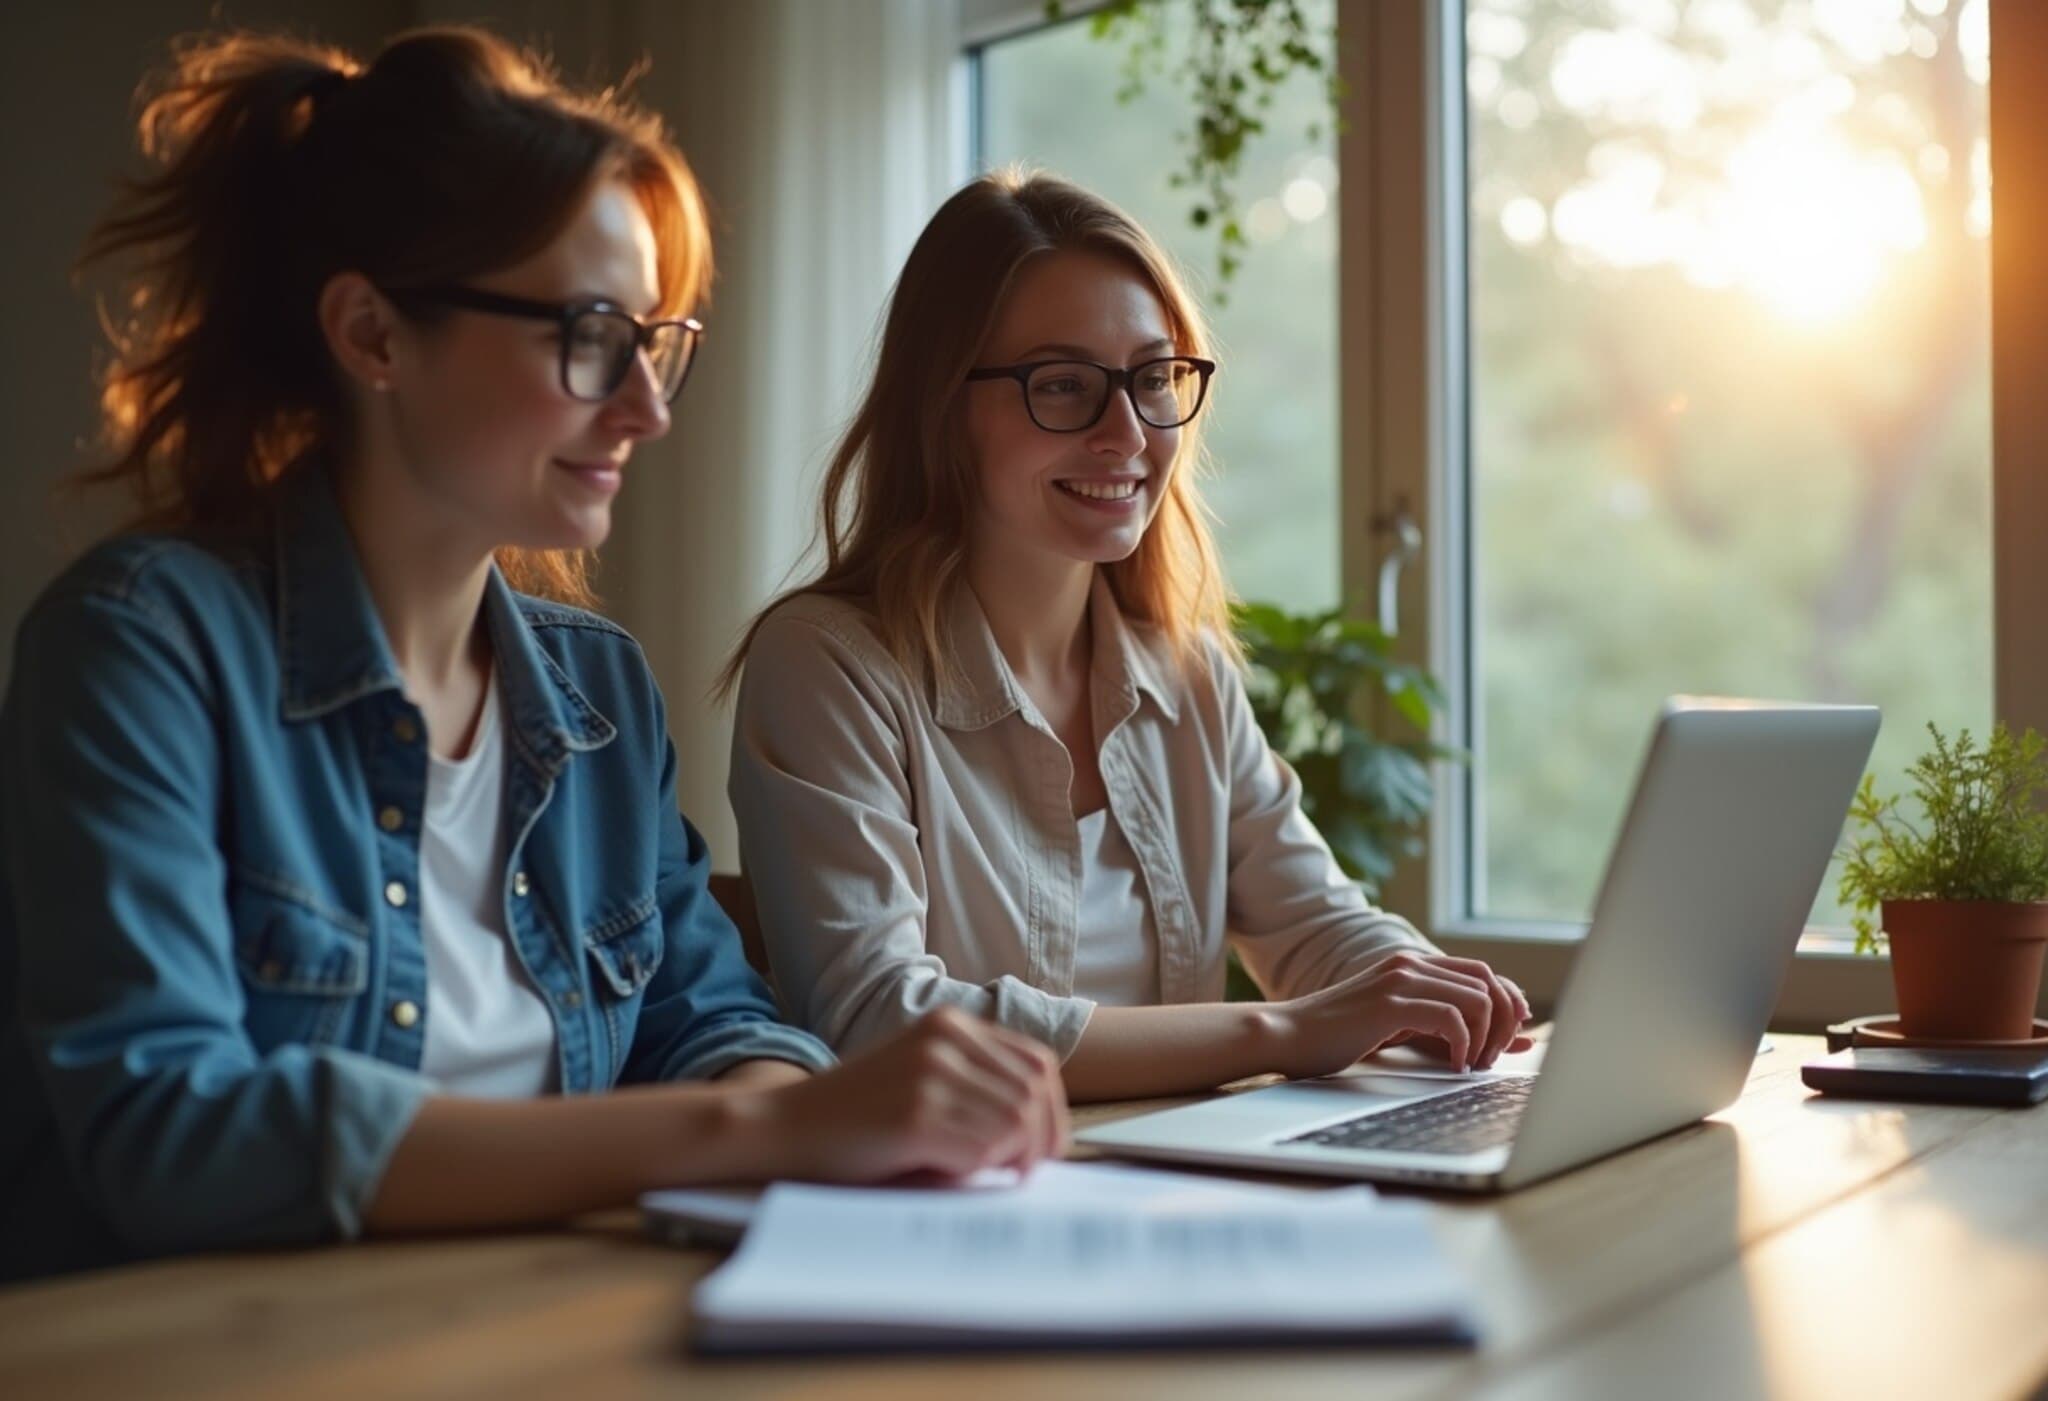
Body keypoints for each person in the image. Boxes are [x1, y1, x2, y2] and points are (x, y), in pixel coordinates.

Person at [0, 28, 1063, 1283]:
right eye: (588, 336)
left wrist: (797, 1105)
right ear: (373, 335)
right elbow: (174, 1133)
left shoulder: (596, 689)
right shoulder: (140, 649)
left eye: (653, 342)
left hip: (543, 1329)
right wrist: (765, 1121)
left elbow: (708, 1019)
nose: (646, 408)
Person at [724, 171, 1533, 1102]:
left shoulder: (1186, 677)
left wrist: (1441, 994)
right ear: (941, 408)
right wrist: (1285, 1030)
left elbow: (1318, 927)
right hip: (955, 1205)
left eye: (1154, 379)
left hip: (1170, 1190)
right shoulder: (827, 666)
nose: (1127, 431)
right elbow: (880, 1020)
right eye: (1063, 385)